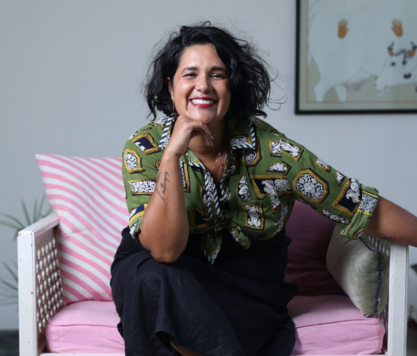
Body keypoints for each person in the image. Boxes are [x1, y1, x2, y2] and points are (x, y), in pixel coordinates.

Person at [111, 23, 417, 356]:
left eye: (217, 74)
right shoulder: (145, 147)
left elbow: (359, 205)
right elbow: (164, 251)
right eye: (190, 74)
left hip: (245, 289)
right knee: (152, 277)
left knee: (171, 298)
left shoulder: (275, 153)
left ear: (233, 85)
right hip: (162, 275)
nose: (203, 86)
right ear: (171, 87)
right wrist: (172, 155)